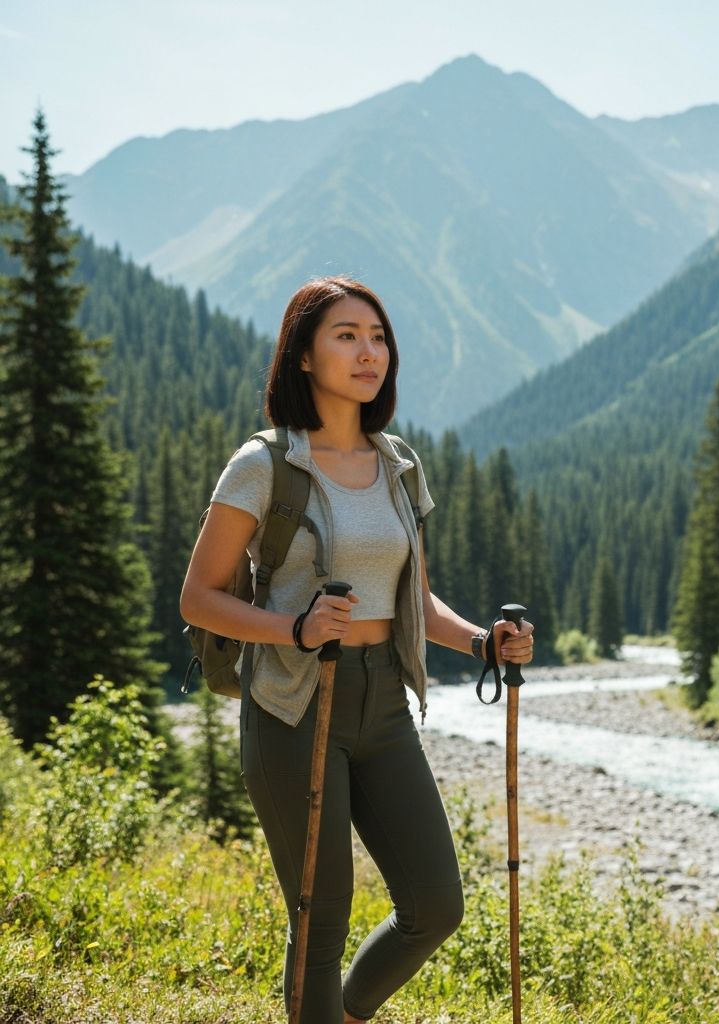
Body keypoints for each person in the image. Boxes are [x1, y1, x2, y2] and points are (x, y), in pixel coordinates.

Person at [180, 274, 535, 1023]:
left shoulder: (398, 464)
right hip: (292, 703)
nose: (368, 351)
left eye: (377, 337)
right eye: (346, 336)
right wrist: (295, 629)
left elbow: (412, 597)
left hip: (382, 701)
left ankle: (339, 1015)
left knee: (436, 903)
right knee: (319, 918)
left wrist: (482, 642)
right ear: (303, 356)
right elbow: (199, 596)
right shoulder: (264, 465)